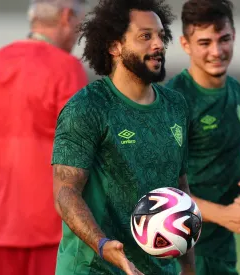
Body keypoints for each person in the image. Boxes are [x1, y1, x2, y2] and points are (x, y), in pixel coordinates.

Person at [51, 0, 196, 274]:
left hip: (157, 269)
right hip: (95, 267)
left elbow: (180, 191)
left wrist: (188, 268)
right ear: (114, 46)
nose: (159, 45)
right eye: (145, 36)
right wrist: (103, 244)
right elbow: (65, 192)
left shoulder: (176, 106)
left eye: (160, 36)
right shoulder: (87, 107)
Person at [166, 0, 240, 274]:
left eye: (224, 39)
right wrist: (226, 215)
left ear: (234, 36)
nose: (217, 51)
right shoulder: (173, 100)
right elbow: (163, 191)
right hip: (182, 250)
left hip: (223, 249)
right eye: (204, 43)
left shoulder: (236, 91)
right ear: (185, 44)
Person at [0, 0, 88, 274]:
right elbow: (84, 146)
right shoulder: (66, 68)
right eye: (80, 22)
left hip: (4, 225)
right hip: (57, 226)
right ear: (67, 17)